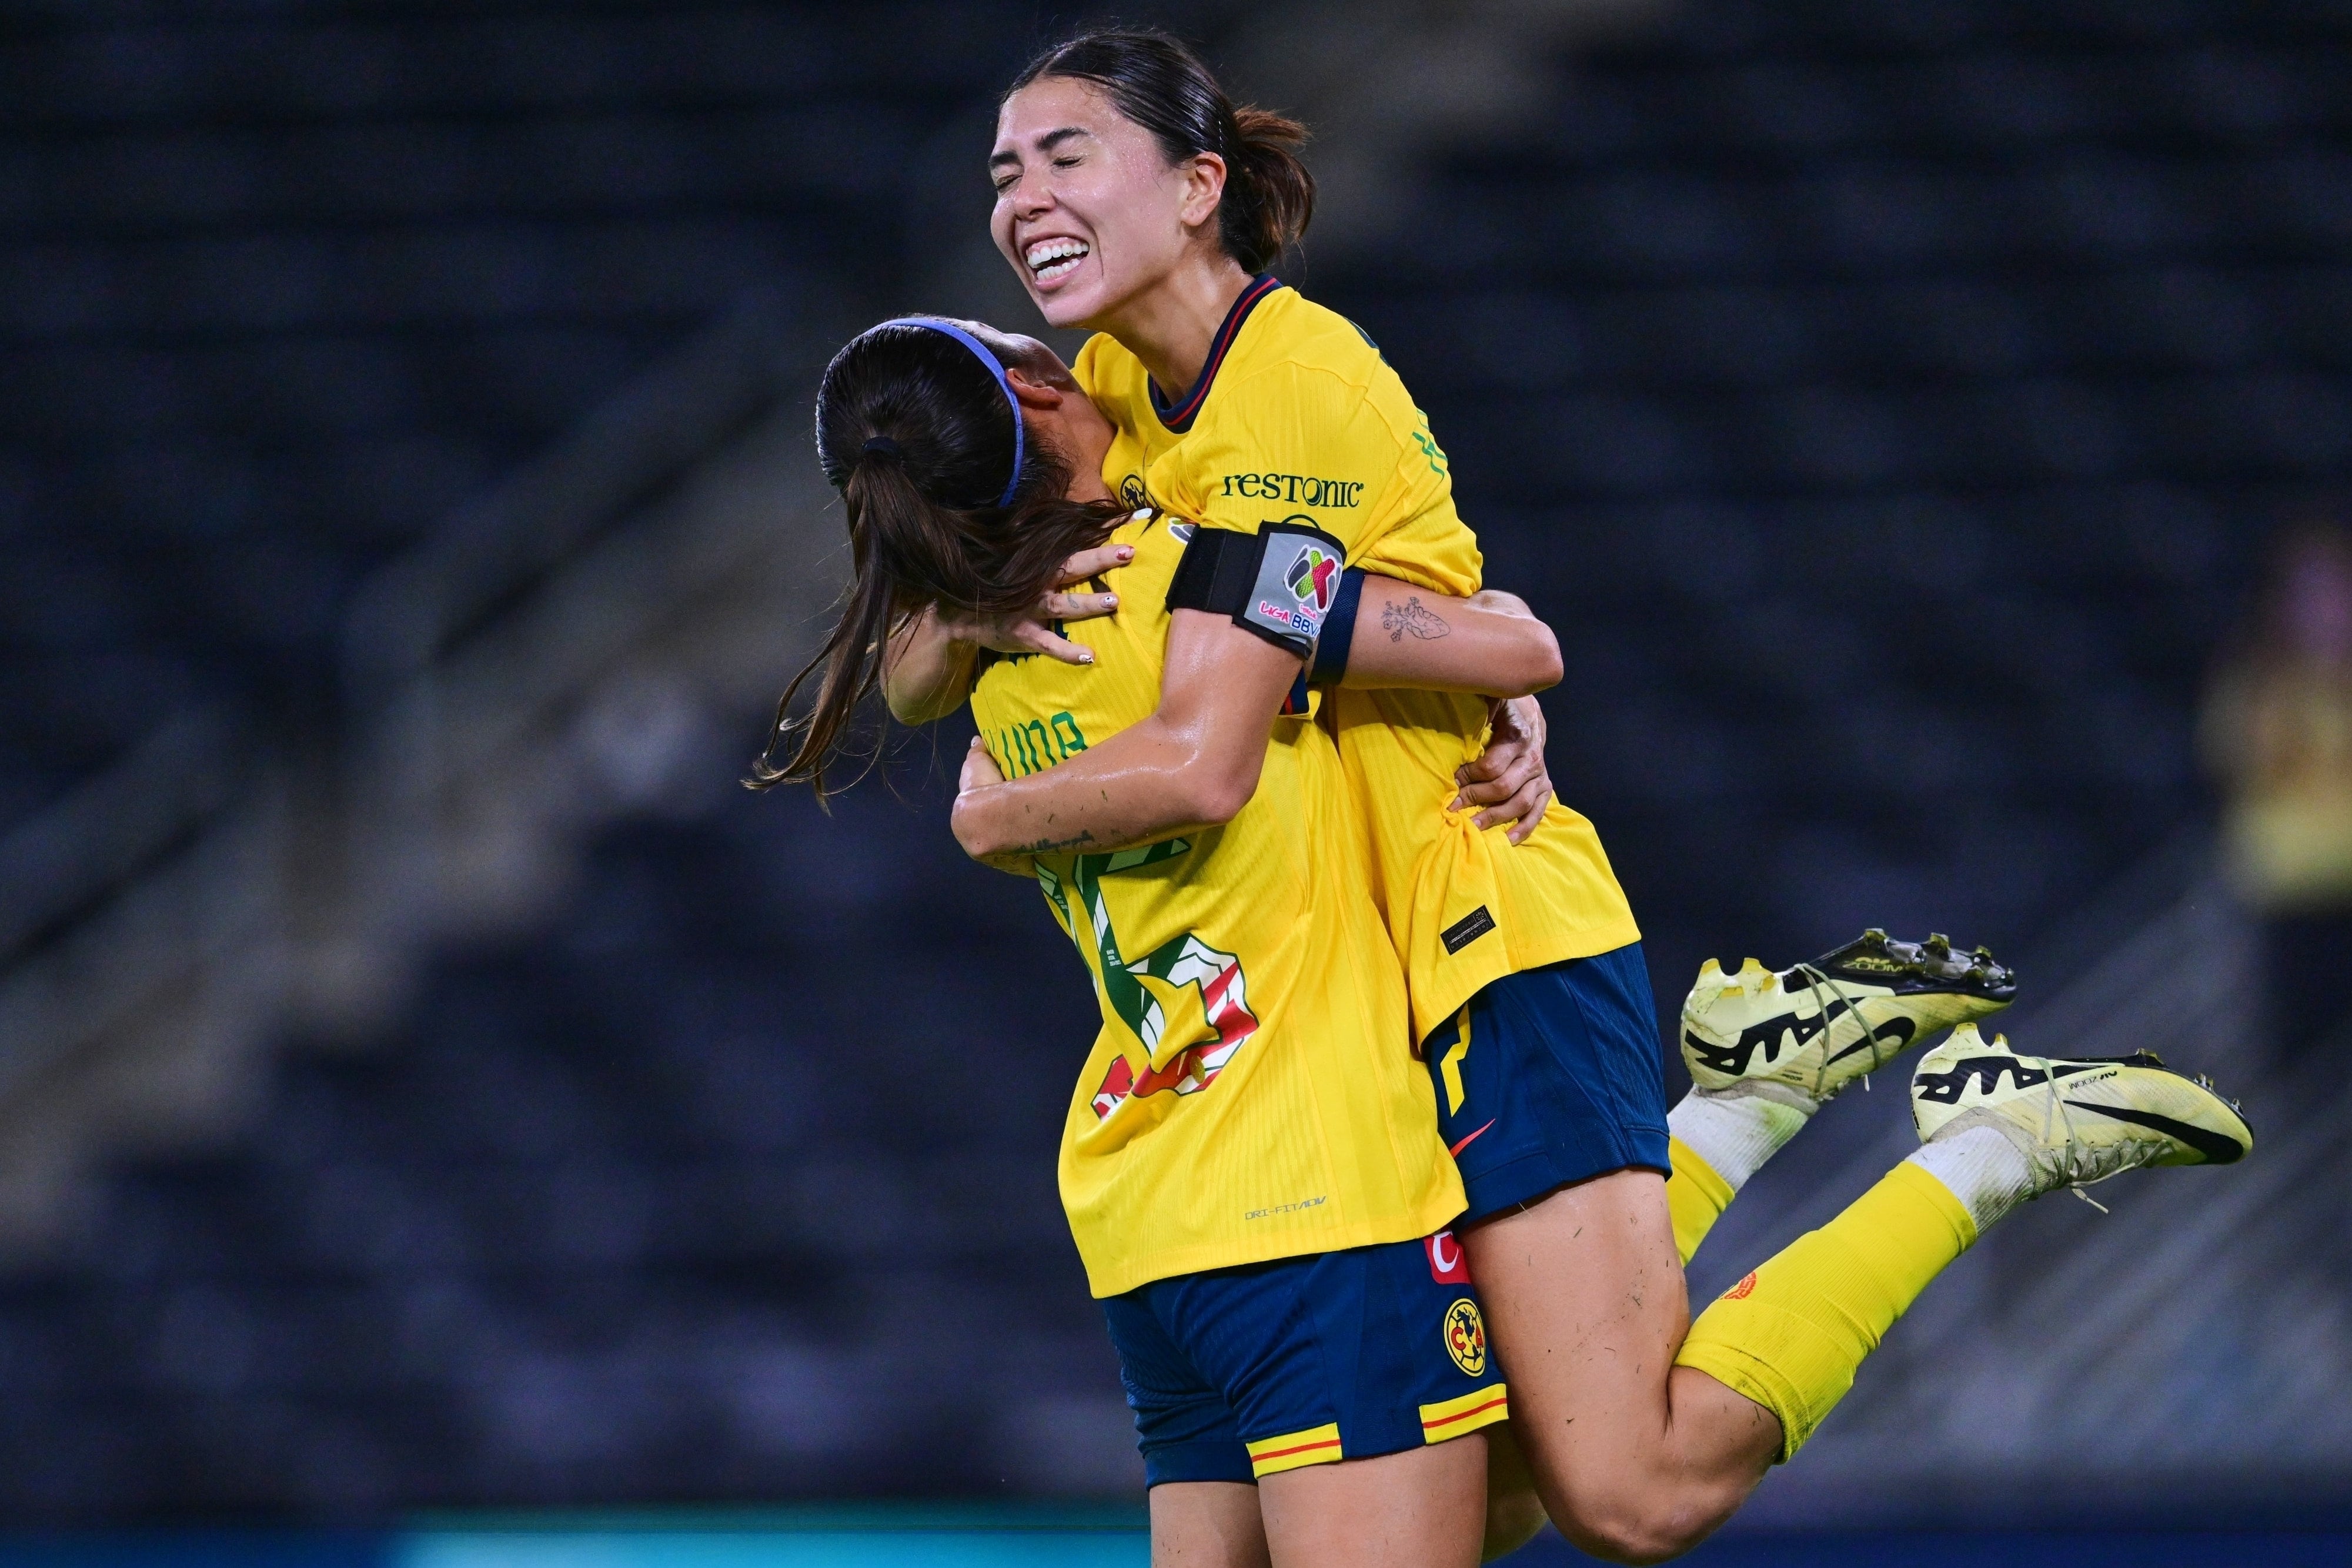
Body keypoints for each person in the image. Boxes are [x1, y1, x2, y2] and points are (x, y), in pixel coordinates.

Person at [968, 27, 2256, 1563]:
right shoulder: (1118, 383)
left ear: (1197, 187)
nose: (1021, 196)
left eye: (1063, 155)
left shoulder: (1297, 386)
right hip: (1371, 1009)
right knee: (1461, 1477)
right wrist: (983, 614)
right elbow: (930, 583)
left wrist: (996, 803)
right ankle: (1754, 1090)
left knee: (1626, 1489)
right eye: (1002, 170)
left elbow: (1227, 735)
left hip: (1486, 938)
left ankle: (1997, 1143)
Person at [754, 315, 1555, 1567]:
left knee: (1501, 1490)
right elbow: (1513, 644)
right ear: (1026, 384)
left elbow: (906, 671)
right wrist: (1495, 669)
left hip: (1146, 1206)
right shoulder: (1215, 575)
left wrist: (982, 800)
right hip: (1312, 1190)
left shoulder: (983, 645)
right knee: (1580, 1473)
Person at [2203, 521, 2352, 1063]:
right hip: (2290, 896)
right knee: (2300, 1054)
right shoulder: (2259, 681)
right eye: (2313, 597)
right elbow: (2235, 758)